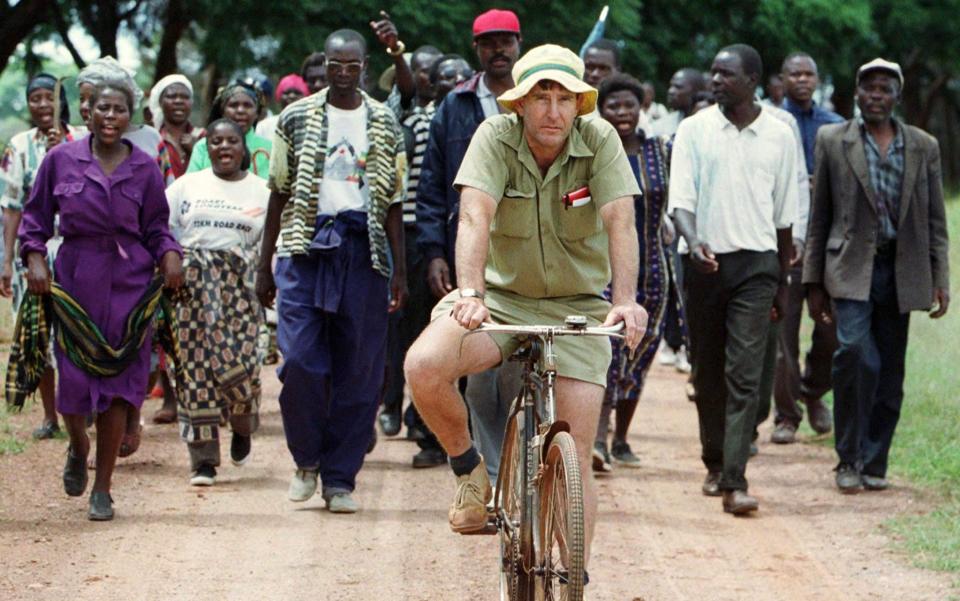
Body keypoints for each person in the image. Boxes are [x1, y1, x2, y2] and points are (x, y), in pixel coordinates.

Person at [405, 46, 646, 577]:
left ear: (579, 104)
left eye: (565, 98)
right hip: (498, 300)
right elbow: (474, 216)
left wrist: (625, 301)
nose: (553, 111)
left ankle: (572, 570)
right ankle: (470, 472)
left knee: (576, 449)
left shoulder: (601, 139)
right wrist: (469, 293)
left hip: (580, 309)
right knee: (424, 366)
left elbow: (620, 222)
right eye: (541, 98)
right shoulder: (493, 137)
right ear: (518, 104)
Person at [255, 28, 407, 514]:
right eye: (334, 64)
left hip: (364, 254)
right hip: (305, 250)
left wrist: (398, 270)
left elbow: (394, 204)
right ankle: (306, 461)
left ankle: (340, 478)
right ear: (323, 64)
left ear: (364, 66)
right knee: (300, 362)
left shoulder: (384, 121)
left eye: (352, 65)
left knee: (359, 373)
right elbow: (277, 190)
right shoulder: (296, 117)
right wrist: (264, 265)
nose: (343, 73)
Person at [19, 76, 183, 520]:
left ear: (131, 117)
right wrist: (34, 260)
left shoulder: (146, 167)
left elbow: (157, 228)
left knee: (117, 387)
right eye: (102, 109)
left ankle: (104, 488)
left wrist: (170, 256)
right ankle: (77, 443)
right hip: (75, 283)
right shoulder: (60, 160)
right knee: (73, 384)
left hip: (130, 286)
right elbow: (34, 222)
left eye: (119, 110)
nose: (111, 117)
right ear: (87, 111)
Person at [804, 58, 950, 493]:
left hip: (902, 270)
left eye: (885, 89)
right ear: (856, 93)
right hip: (849, 268)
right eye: (868, 89)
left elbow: (935, 220)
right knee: (855, 356)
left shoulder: (923, 146)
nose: (876, 96)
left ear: (897, 96)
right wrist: (813, 284)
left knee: (890, 372)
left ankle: (874, 461)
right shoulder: (834, 140)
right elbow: (819, 216)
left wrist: (940, 278)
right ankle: (847, 458)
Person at [669, 44, 798, 515]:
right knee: (707, 372)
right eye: (713, 73)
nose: (715, 81)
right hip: (704, 265)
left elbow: (785, 217)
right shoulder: (694, 130)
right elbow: (680, 202)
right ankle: (714, 459)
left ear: (752, 80)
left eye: (725, 74)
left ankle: (734, 480)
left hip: (758, 267)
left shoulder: (780, 136)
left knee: (745, 374)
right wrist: (693, 239)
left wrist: (783, 283)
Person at [416, 8, 524, 483]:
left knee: (527, 373)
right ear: (476, 50)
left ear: (518, 44)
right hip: (471, 251)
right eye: (489, 43)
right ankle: (492, 474)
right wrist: (435, 253)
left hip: (529, 252)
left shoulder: (538, 101)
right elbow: (431, 185)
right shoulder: (455, 105)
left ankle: (537, 469)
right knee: (480, 373)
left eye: (506, 41)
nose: (498, 49)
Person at [166, 119, 269, 486]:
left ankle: (243, 424)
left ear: (244, 147)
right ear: (206, 147)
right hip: (191, 287)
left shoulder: (262, 190)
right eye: (215, 141)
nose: (223, 147)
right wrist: (171, 260)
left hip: (240, 288)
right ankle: (204, 460)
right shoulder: (186, 186)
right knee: (194, 371)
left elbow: (273, 242)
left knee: (241, 367)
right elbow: (161, 229)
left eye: (231, 141)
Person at [593, 74, 670, 469]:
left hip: (654, 269)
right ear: (601, 110)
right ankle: (598, 436)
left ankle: (621, 438)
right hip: (605, 268)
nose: (622, 113)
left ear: (641, 108)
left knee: (641, 349)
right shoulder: (594, 151)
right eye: (613, 106)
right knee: (609, 347)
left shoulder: (660, 151)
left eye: (629, 105)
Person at [769, 52, 844, 444]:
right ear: (781, 80)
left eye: (808, 73)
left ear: (817, 79)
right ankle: (786, 415)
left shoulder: (834, 125)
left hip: (828, 240)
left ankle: (814, 391)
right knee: (783, 331)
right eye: (794, 73)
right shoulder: (769, 123)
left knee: (831, 327)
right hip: (786, 238)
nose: (801, 79)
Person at [0, 73, 79, 440]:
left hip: (77, 248)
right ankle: (50, 415)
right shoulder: (18, 146)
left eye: (50, 97)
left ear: (60, 101)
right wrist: (6, 259)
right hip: (34, 253)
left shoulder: (80, 138)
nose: (43, 105)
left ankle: (82, 409)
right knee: (38, 333)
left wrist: (62, 149)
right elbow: (13, 206)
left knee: (78, 330)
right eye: (36, 99)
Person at [77, 57, 164, 159]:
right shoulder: (75, 139)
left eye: (92, 99)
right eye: (82, 99)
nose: (84, 106)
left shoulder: (150, 137)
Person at [187, 82, 271, 179]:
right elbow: (190, 186)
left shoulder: (270, 149)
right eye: (234, 105)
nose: (240, 110)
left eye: (247, 105)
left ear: (257, 113)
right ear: (222, 111)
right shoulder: (203, 147)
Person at [150, 74, 204, 186]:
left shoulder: (203, 138)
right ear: (160, 102)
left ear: (192, 102)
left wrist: (197, 151)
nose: (179, 101)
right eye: (171, 96)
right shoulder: (152, 139)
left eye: (185, 97)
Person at [649, 68, 704, 137]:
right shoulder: (661, 127)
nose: (670, 91)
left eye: (678, 87)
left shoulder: (710, 125)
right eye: (671, 86)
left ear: (696, 91)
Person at [256, 74, 309, 139]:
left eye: (297, 93)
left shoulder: (314, 125)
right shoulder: (264, 126)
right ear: (279, 97)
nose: (292, 96)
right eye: (287, 92)